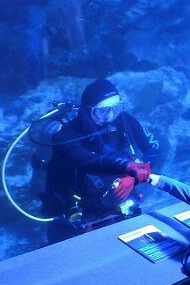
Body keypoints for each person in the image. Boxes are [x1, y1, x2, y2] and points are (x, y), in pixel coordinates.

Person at [43, 78, 158, 244]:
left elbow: (153, 149)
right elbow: (85, 159)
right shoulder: (66, 135)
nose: (110, 117)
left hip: (120, 206)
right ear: (87, 110)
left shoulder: (125, 121)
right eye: (102, 111)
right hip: (78, 212)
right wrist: (129, 166)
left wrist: (132, 179)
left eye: (116, 108)